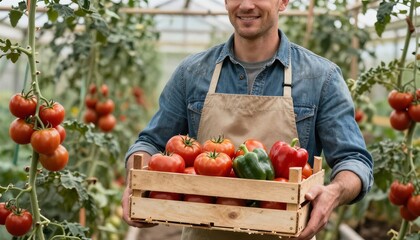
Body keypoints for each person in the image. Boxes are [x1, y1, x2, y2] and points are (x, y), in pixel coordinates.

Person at [121, 0, 373, 239]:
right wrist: (137, 180)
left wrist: (333, 192)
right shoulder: (192, 72)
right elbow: (150, 143)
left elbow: (354, 160)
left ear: (283, 2)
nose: (246, 5)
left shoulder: (320, 77)